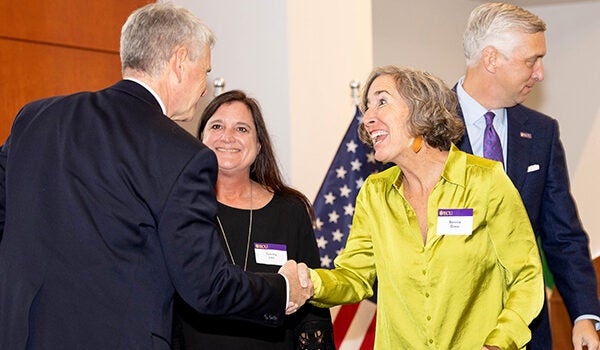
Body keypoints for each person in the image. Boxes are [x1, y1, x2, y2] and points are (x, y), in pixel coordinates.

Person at [0, 3, 311, 349]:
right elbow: (205, 285)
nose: (205, 88)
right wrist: (281, 290)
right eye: (204, 70)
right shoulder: (182, 156)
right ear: (180, 62)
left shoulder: (35, 118)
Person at [307, 65, 544, 349]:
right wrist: (308, 283)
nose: (368, 118)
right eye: (367, 107)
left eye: (382, 101)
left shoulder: (485, 181)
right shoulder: (374, 193)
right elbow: (354, 277)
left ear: (420, 109)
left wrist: (498, 343)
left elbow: (526, 277)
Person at [455, 3, 600, 349]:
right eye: (531, 60)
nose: (540, 73)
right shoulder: (426, 129)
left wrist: (584, 315)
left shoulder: (541, 132)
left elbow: (562, 234)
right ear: (491, 59)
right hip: (453, 330)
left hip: (528, 332)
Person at [172, 90, 334, 349]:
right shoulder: (178, 208)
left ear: (259, 146)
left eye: (242, 129)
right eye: (217, 126)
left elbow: (311, 308)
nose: (227, 137)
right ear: (201, 140)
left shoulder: (291, 210)